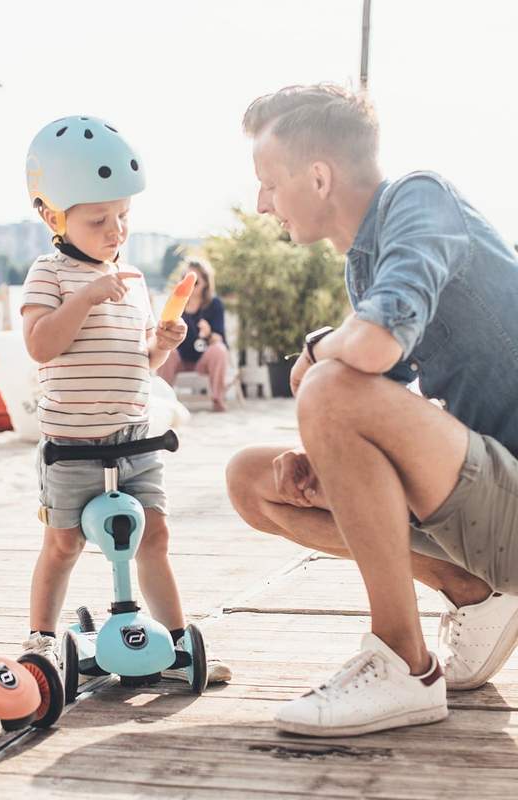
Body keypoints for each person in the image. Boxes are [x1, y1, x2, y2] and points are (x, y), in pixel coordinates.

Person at [225, 83, 518, 736]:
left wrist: (315, 354)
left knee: (329, 386)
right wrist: (327, 457)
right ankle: (471, 590)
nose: (261, 203)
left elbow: (373, 345)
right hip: (487, 499)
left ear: (320, 177)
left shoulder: (421, 198)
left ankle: (403, 666)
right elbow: (387, 397)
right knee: (254, 480)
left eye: (269, 182)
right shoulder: (365, 266)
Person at [20, 115, 231, 684]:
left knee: (154, 536)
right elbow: (42, 345)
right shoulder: (49, 274)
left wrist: (158, 345)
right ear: (52, 215)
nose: (115, 231)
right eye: (98, 220)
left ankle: (179, 640)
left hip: (136, 436)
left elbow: (137, 362)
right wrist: (85, 297)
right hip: (71, 443)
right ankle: (40, 638)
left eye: (123, 218)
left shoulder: (133, 278)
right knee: (63, 543)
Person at [156, 258, 231, 411]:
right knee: (167, 352)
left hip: (203, 360)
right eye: (186, 281)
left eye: (195, 282)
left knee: (219, 350)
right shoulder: (176, 303)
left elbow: (219, 338)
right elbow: (163, 333)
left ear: (205, 283)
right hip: (180, 359)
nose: (191, 287)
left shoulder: (214, 304)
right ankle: (161, 401)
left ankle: (218, 400)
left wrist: (209, 333)